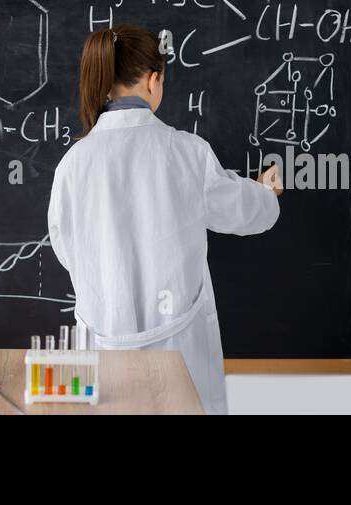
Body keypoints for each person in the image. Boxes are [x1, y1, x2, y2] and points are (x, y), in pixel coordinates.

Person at [48, 25, 282, 415]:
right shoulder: (186, 152)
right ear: (155, 80)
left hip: (104, 346)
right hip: (181, 349)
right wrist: (267, 193)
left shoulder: (74, 162)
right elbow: (245, 213)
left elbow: (67, 249)